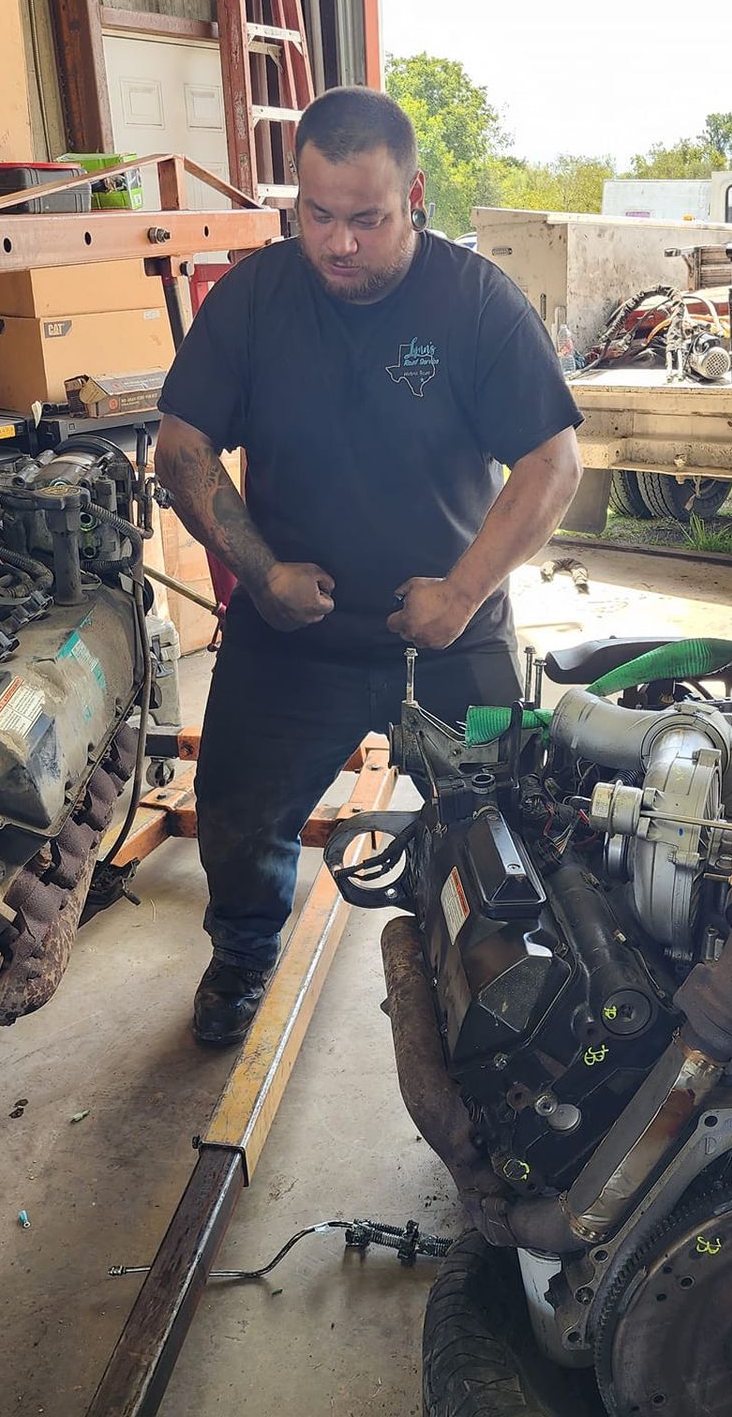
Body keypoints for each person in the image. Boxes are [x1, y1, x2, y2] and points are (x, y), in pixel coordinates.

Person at [154, 87, 584, 1044]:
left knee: (508, 821)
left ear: (414, 197)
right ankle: (243, 953)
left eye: (367, 219)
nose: (339, 243)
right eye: (317, 216)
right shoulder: (255, 300)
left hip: (450, 638)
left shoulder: (475, 303)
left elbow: (554, 464)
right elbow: (181, 448)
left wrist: (463, 594)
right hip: (290, 640)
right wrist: (262, 574)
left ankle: (512, 977)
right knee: (236, 815)